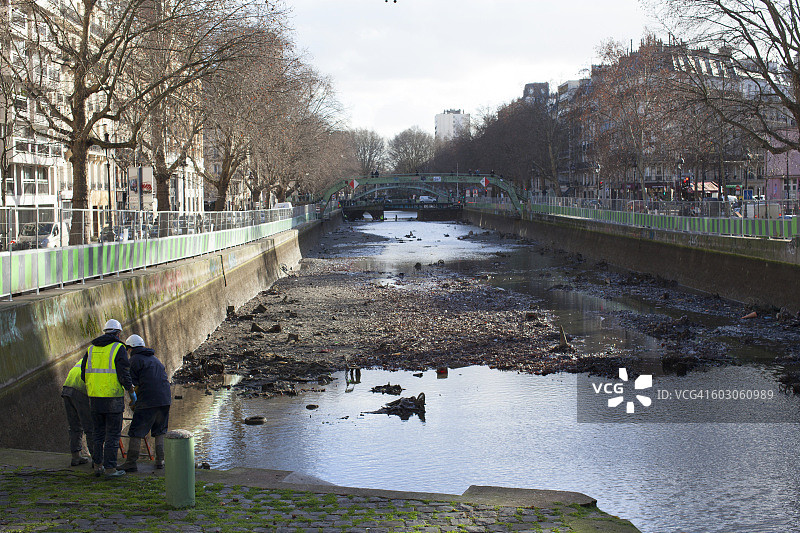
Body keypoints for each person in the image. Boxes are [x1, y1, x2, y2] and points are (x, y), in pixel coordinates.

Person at [81, 319, 136, 478]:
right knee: (112, 435)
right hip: (112, 399)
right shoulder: (118, 348)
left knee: (97, 434)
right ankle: (111, 468)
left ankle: (98, 466)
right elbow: (124, 374)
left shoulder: (91, 349)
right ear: (118, 334)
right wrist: (131, 392)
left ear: (105, 332)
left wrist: (95, 386)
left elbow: (84, 375)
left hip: (94, 399)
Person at [120, 334, 171, 472]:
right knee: (160, 430)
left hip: (148, 401)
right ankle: (160, 461)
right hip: (165, 399)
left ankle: (131, 462)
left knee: (136, 432)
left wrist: (134, 401)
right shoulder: (154, 359)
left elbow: (132, 384)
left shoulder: (134, 360)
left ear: (130, 348)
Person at [61, 359, 93, 467]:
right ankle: (97, 459)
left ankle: (75, 456)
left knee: (74, 426)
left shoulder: (85, 358)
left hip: (67, 389)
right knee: (90, 428)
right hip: (80, 391)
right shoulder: (103, 363)